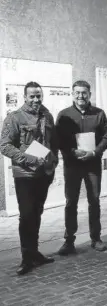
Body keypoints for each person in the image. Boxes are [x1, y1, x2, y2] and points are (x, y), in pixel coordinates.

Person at [0, 81, 58, 275]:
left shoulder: (47, 115)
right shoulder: (14, 118)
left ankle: (35, 253)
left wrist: (53, 161)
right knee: (26, 216)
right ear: (25, 97)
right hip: (25, 174)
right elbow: (5, 146)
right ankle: (26, 258)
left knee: (37, 213)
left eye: (38, 96)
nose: (36, 99)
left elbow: (51, 142)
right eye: (32, 96)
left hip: (44, 173)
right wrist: (29, 158)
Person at [56, 80, 107, 255]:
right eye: (77, 92)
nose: (81, 96)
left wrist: (95, 152)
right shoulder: (64, 115)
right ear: (73, 94)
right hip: (72, 165)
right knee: (71, 202)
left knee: (94, 201)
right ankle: (69, 241)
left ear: (89, 94)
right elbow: (59, 140)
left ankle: (96, 238)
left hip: (92, 164)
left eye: (84, 93)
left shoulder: (99, 114)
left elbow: (106, 137)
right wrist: (72, 152)